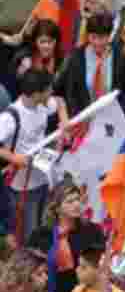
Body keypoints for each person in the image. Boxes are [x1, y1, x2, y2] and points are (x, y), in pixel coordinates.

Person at [0, 69, 69, 239]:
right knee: (27, 232)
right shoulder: (10, 116)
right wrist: (14, 158)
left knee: (43, 226)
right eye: (48, 89)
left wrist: (64, 121)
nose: (51, 92)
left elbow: (60, 102)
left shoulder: (42, 105)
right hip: (22, 187)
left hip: (44, 178)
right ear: (37, 93)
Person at [52, 10, 125, 116]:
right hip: (82, 119)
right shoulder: (75, 58)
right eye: (93, 37)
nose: (97, 42)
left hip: (112, 119)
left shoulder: (121, 57)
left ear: (109, 36)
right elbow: (63, 90)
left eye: (102, 38)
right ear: (87, 35)